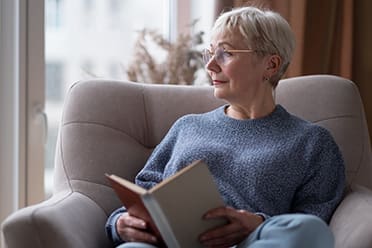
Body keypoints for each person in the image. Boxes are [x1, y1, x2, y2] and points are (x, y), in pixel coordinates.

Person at [105, 6, 345, 248]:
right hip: (172, 244)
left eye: (226, 54)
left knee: (310, 229)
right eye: (209, 53)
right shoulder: (187, 127)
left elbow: (314, 221)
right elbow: (142, 194)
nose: (210, 65)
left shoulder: (312, 142)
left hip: (252, 243)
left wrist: (258, 224)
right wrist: (119, 224)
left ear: (270, 65)